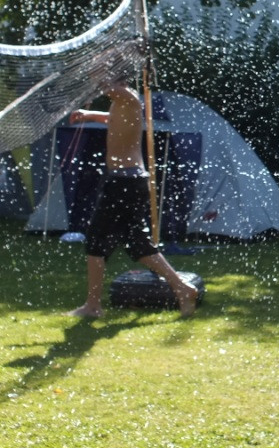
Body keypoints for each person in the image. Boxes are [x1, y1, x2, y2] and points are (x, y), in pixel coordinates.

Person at [66, 81, 199, 318]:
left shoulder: (127, 96)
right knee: (138, 244)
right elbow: (115, 120)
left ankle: (93, 306)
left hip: (123, 181)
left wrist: (91, 70)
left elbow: (105, 86)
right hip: (129, 181)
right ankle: (182, 288)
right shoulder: (125, 101)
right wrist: (89, 115)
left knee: (96, 242)